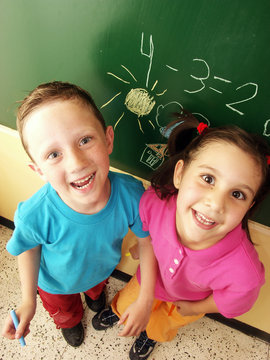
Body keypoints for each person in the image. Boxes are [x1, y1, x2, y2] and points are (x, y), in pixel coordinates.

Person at [92, 113, 270, 360]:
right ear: (180, 174)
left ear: (249, 206)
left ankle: (149, 336)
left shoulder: (245, 272)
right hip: (148, 279)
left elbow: (233, 301)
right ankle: (118, 312)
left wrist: (197, 307)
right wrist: (140, 249)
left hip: (185, 303)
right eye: (208, 179)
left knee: (159, 326)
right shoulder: (155, 202)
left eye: (238, 194)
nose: (215, 204)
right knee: (127, 304)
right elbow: (148, 234)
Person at [1, 81, 156, 347]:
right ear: (38, 169)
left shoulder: (132, 194)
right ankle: (70, 321)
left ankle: (94, 297)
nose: (76, 162)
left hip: (101, 269)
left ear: (108, 139)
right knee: (66, 312)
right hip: (55, 286)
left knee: (97, 290)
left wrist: (145, 298)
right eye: (53, 154)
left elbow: (148, 240)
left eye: (85, 140)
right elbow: (28, 248)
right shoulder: (34, 214)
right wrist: (29, 300)